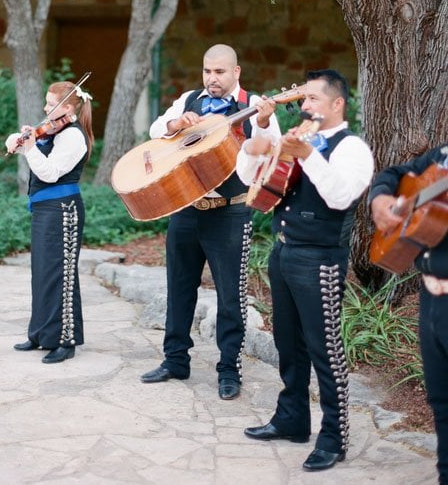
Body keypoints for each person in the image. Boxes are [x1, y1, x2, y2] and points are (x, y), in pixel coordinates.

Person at [237, 69, 374, 472]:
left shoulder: (352, 149)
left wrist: (307, 155)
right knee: (288, 344)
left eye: (313, 99)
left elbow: (340, 196)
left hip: (320, 260)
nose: (304, 106)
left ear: (336, 104)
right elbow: (252, 184)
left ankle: (334, 436)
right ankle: (293, 418)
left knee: (324, 349)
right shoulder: (299, 139)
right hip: (283, 254)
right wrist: (256, 145)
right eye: (304, 99)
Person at [140, 43, 281, 400]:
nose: (211, 78)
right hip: (186, 208)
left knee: (230, 296)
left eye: (219, 72)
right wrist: (176, 123)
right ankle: (175, 360)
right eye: (207, 71)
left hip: (230, 212)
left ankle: (229, 369)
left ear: (236, 72)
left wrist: (261, 123)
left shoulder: (255, 105)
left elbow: (273, 150)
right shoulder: (190, 99)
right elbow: (157, 128)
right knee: (179, 287)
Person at [369, 143, 448, 485]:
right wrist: (381, 199)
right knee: (441, 401)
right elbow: (395, 174)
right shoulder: (444, 154)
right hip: (431, 299)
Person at [6, 80, 94, 364]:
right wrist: (20, 141)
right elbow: (19, 149)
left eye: (50, 103)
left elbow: (50, 173)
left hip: (63, 209)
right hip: (45, 209)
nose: (45, 108)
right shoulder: (52, 131)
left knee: (62, 275)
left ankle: (65, 340)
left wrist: (31, 147)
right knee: (42, 272)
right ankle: (41, 334)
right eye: (46, 102)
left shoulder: (73, 137)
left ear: (68, 107)